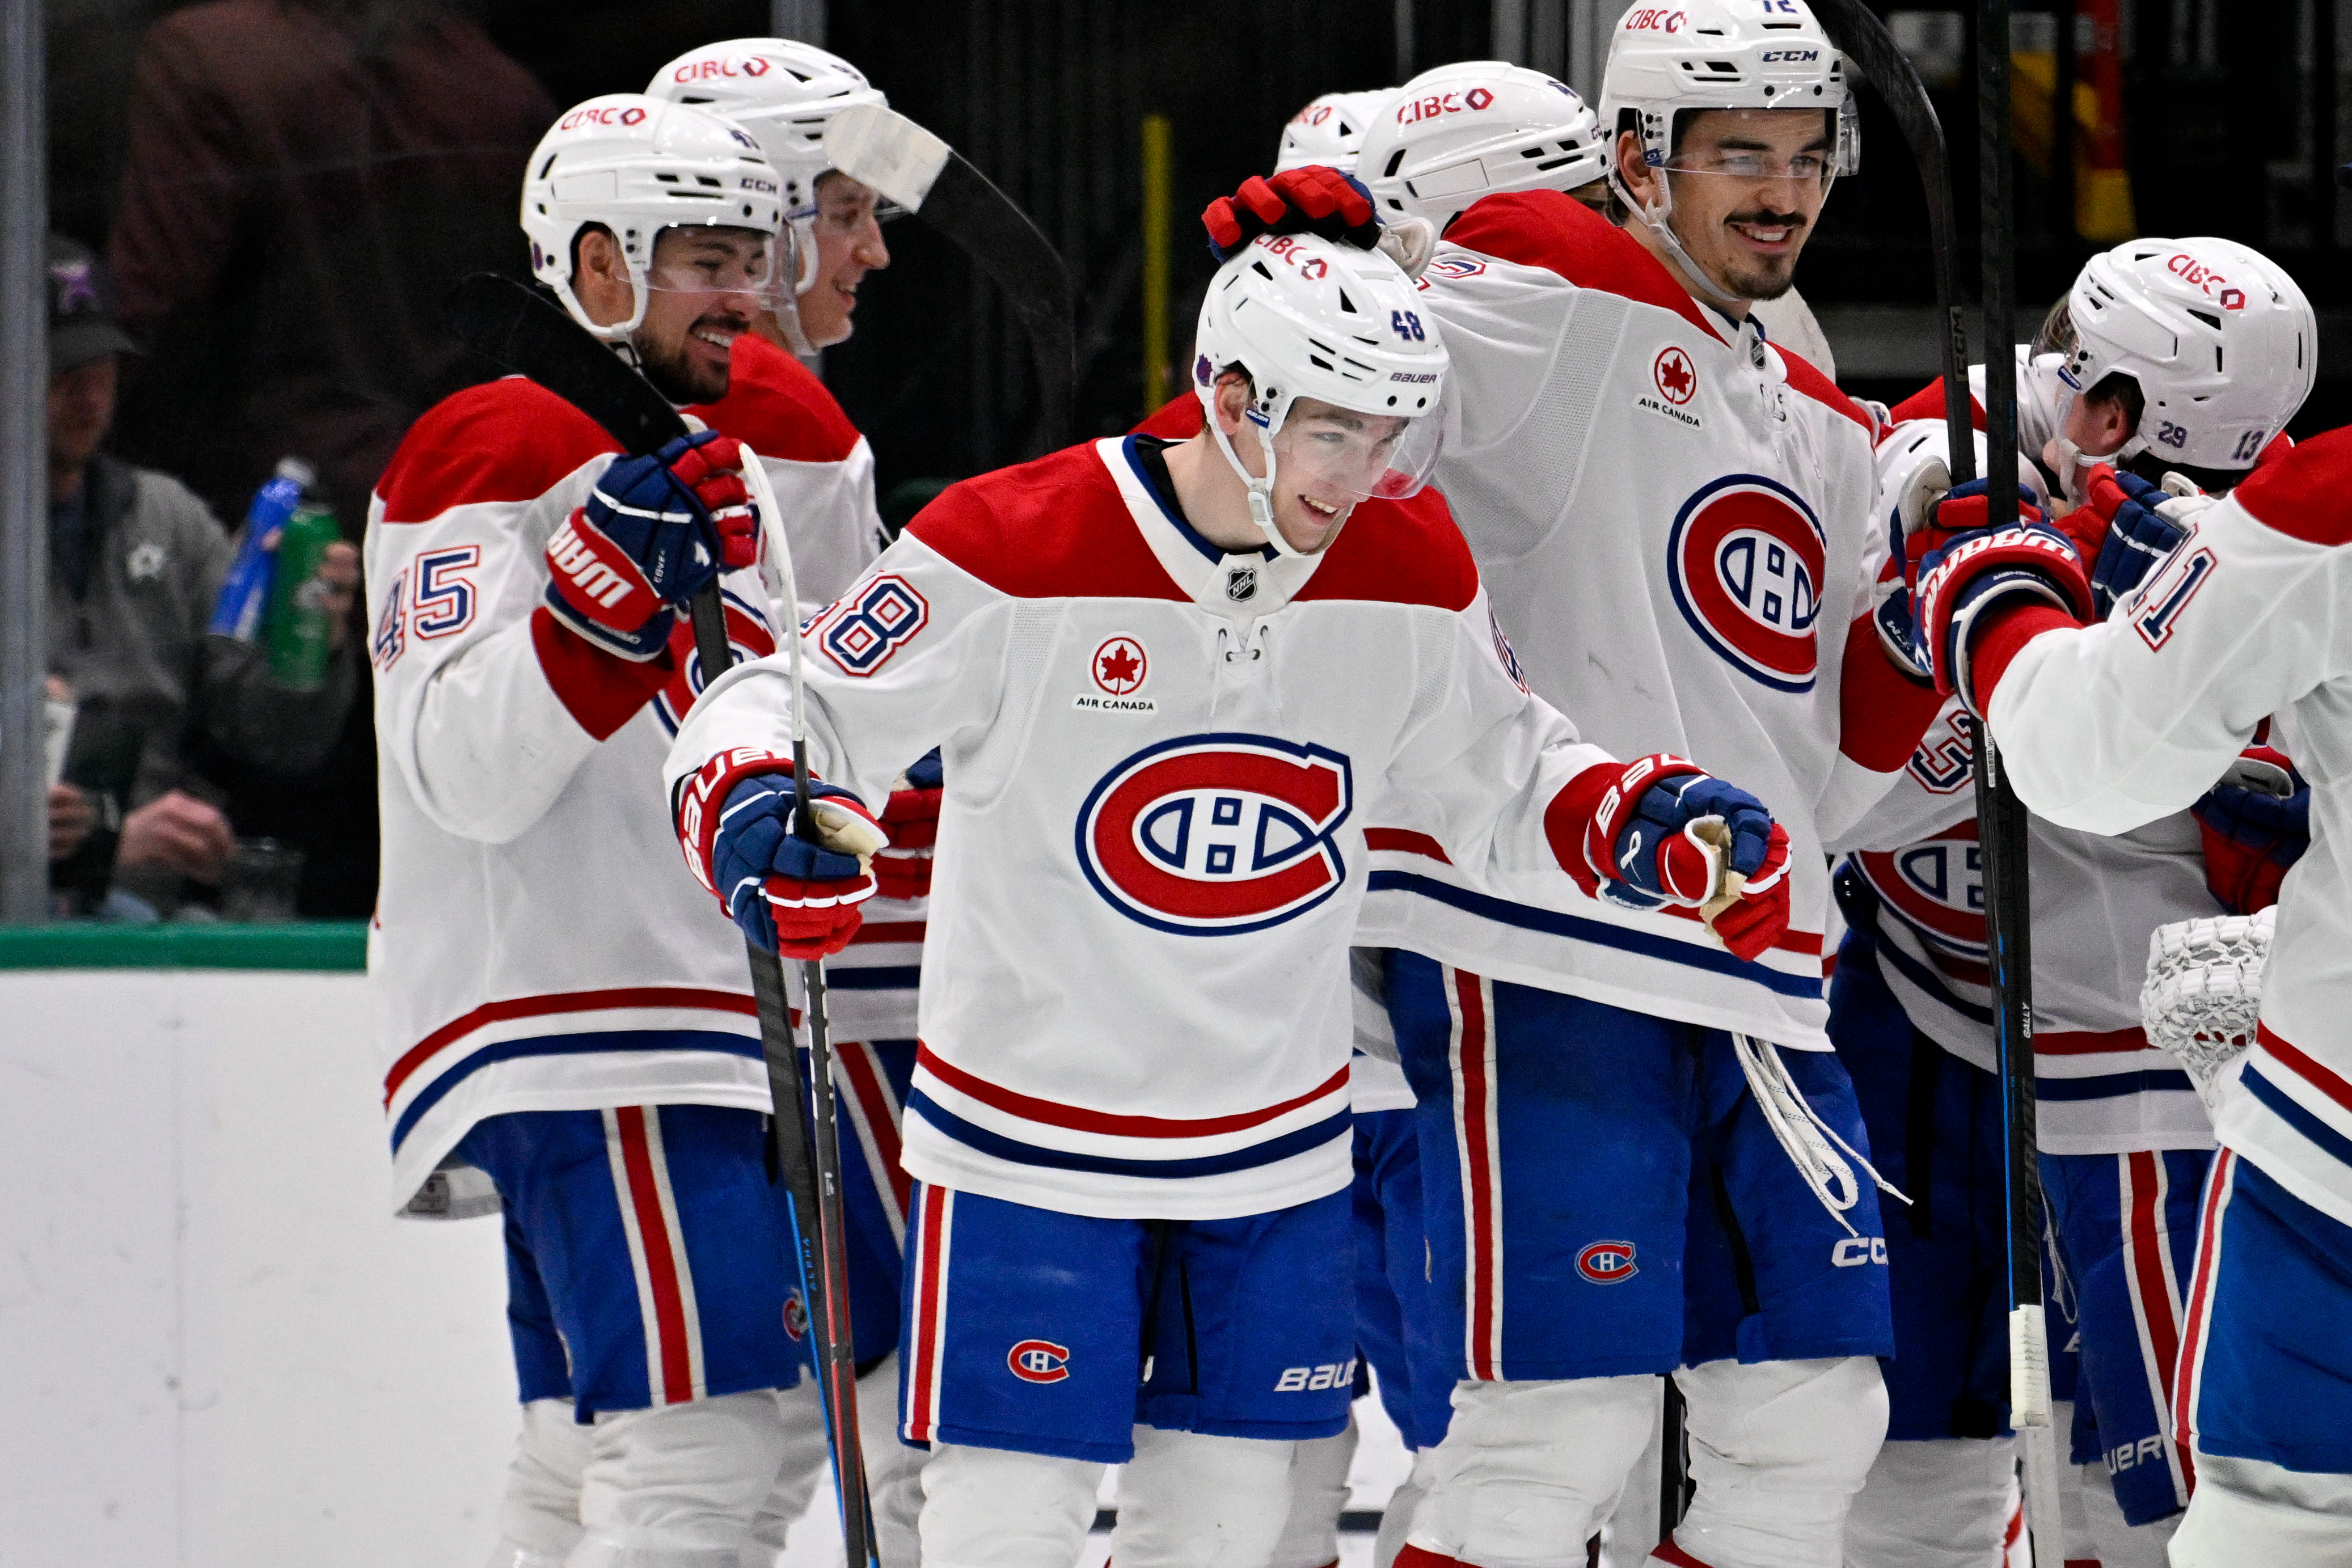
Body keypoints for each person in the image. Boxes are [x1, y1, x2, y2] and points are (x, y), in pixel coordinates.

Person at [664, 229, 1797, 1568]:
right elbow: (795, 704)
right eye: (1332, 429)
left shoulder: (1407, 561)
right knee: (1004, 1521)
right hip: (1027, 1138)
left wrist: (1627, 813)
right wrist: (752, 799)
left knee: (1225, 1529)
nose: (1360, 473)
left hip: (1271, 1146)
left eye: (1386, 433)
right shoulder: (1009, 540)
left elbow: (1504, 772)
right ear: (1231, 394)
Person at [1200, 6, 1956, 1565]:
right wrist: (1309, 304)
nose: (1780, 193)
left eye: (1806, 157)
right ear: (1635, 161)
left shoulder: (1817, 406)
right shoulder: (1546, 281)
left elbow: (1841, 780)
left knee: (1810, 1416)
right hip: (1550, 935)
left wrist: (1927, 624)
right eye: (1737, 154)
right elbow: (1322, 471)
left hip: (1759, 957)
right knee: (1556, 1429)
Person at [365, 93, 876, 1568]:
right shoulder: (495, 436)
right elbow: (457, 766)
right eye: (704, 262)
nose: (745, 297)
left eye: (752, 259)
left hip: (696, 1013)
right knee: (700, 1450)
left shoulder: (720, 463)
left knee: (651, 1446)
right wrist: (594, 602)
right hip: (590, 1015)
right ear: (599, 266)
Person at [1832, 235, 2317, 1568]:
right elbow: (1846, 780)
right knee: (1895, 1443)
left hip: (2136, 1057)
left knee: (2158, 1473)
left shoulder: (2248, 531)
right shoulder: (1955, 434)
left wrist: (2206, 689)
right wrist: (1954, 581)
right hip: (1921, 1009)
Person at [1901, 414, 2352, 1567]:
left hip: (2330, 1150)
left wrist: (1993, 593)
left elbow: (2087, 755)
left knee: (2277, 1533)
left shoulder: (2328, 499)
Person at [652, 36, 930, 1559]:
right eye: (846, 209)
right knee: (872, 1417)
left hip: (659, 975)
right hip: (767, 984)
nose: (873, 249)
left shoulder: (592, 387)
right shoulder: (783, 420)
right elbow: (847, 724)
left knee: (663, 1450)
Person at [42, 233, 360, 918]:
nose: (89, 396)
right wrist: (106, 841)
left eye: (101, 369)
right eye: (62, 372)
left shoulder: (167, 519)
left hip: (156, 907)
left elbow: (275, 737)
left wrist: (310, 645)